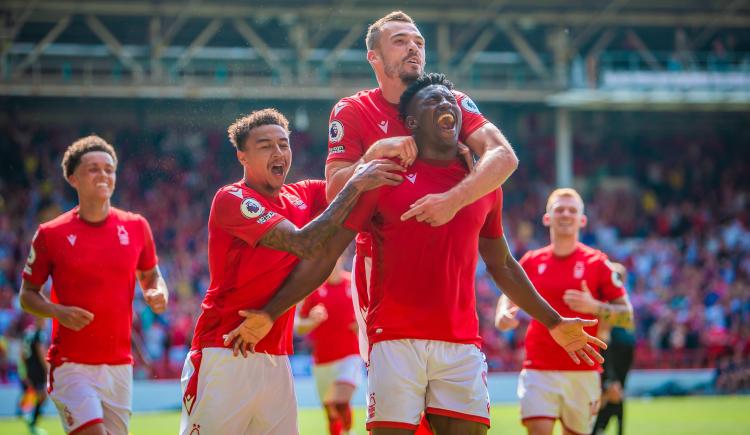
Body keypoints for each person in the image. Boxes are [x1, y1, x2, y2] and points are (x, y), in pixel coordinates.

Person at [225, 74, 606, 435]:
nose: (447, 104)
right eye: (433, 100)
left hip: (461, 344)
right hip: (394, 340)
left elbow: (502, 264)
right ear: (411, 121)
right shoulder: (384, 176)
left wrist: (554, 322)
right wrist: (272, 312)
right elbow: (326, 255)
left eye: (450, 100)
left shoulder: (483, 184)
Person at [179, 108, 402, 435]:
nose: (278, 152)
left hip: (277, 356)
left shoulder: (304, 194)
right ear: (242, 155)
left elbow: (350, 184)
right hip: (224, 349)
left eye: (283, 144)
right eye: (265, 145)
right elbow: (306, 242)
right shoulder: (232, 198)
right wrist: (356, 183)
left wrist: (385, 149)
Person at [323, 10, 519, 365]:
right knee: (400, 413)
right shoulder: (353, 110)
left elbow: (503, 155)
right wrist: (375, 152)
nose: (413, 48)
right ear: (374, 57)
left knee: (455, 412)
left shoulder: (451, 101)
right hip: (384, 276)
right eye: (400, 41)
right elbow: (333, 192)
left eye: (418, 42)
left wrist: (453, 200)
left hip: (448, 274)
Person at [19, 135, 169, 435]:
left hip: (119, 366)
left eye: (109, 169)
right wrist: (57, 312)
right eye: (93, 169)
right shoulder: (51, 234)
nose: (103, 175)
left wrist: (157, 292)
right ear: (72, 178)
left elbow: (151, 274)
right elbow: (27, 295)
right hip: (71, 365)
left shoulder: (136, 226)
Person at [496, 188, 634, 435]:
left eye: (572, 210)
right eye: (559, 209)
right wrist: (504, 313)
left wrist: (595, 307)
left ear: (582, 220)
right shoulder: (532, 260)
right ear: (547, 218)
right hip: (538, 367)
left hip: (583, 370)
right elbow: (508, 292)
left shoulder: (598, 263)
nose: (566, 214)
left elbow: (627, 316)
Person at [296, 256, 361, 435]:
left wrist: (362, 325)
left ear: (341, 259)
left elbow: (371, 313)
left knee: (340, 401)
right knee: (330, 413)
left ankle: (349, 431)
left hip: (350, 356)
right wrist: (312, 320)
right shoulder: (314, 290)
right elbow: (299, 328)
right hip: (322, 361)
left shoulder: (354, 283)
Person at [591, 262, 635, 435]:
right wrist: (609, 372)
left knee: (615, 394)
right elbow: (604, 336)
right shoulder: (607, 302)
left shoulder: (621, 301)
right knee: (609, 393)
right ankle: (599, 428)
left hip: (624, 353)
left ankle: (604, 429)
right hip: (611, 352)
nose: (619, 280)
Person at [17, 315, 49, 434]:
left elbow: (22, 353)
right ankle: (32, 422)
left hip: (30, 369)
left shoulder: (28, 333)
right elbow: (41, 353)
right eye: (44, 320)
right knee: (42, 396)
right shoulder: (39, 334)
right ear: (40, 320)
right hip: (38, 370)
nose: (45, 323)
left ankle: (29, 418)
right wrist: (47, 369)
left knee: (37, 394)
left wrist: (24, 369)